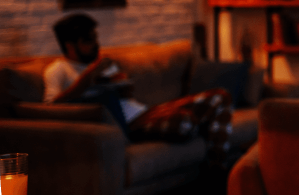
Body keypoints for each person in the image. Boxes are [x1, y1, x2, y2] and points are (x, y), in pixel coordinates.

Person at [44, 13, 233, 161]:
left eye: (95, 37)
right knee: (185, 121)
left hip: (145, 113)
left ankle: (217, 167)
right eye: (88, 40)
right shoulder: (58, 70)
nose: (96, 44)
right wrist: (87, 79)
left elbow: (128, 96)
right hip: (127, 126)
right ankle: (215, 173)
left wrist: (122, 85)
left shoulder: (101, 64)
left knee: (220, 96)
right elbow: (50, 107)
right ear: (69, 46)